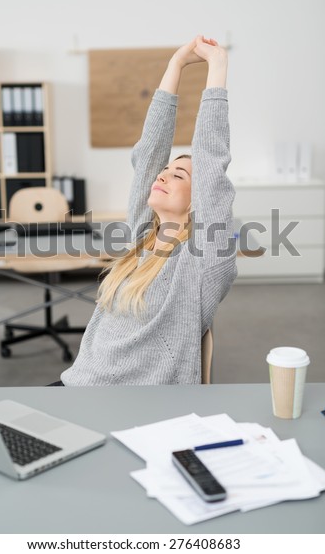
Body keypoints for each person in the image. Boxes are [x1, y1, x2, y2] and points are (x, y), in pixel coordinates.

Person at [60, 35, 237, 386]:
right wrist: (175, 65)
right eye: (166, 170)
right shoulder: (142, 239)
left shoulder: (203, 259)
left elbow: (212, 163)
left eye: (180, 173)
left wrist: (217, 68)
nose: (163, 174)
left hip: (129, 403)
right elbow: (149, 154)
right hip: (77, 384)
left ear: (198, 197)